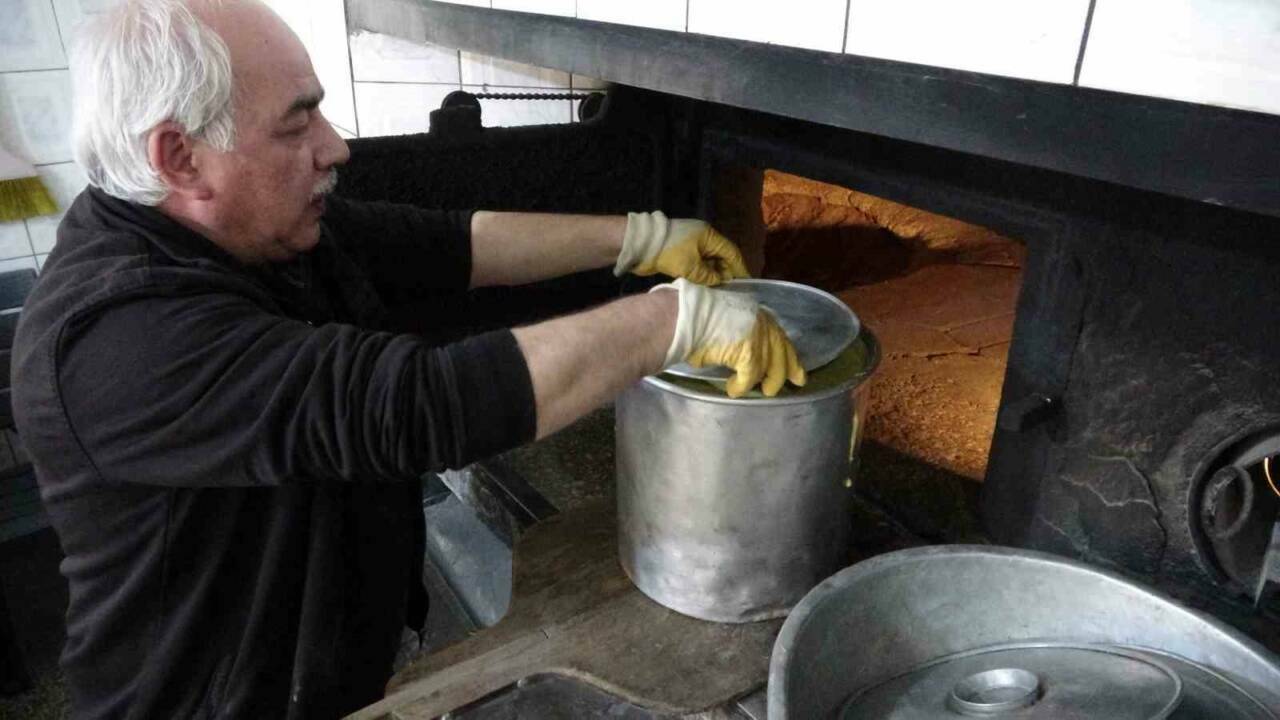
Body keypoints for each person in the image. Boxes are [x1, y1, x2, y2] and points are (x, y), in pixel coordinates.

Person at [10, 1, 806, 718]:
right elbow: (415, 404)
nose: (335, 147)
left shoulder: (244, 232)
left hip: (325, 658)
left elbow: (446, 244)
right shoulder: (116, 341)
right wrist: (674, 320)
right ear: (181, 158)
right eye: (296, 125)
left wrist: (639, 236)